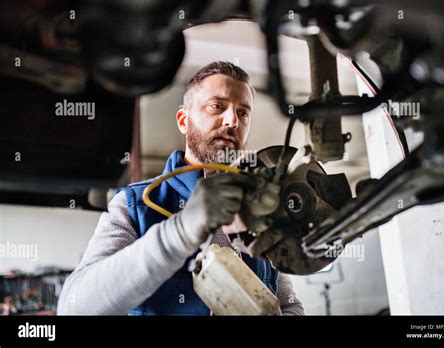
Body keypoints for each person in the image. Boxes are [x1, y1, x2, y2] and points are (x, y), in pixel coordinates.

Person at [57, 61, 304, 315]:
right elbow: (74, 307)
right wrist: (180, 231)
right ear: (183, 120)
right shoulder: (134, 204)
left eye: (243, 113)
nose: (232, 121)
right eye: (216, 106)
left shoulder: (264, 213)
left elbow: (289, 303)